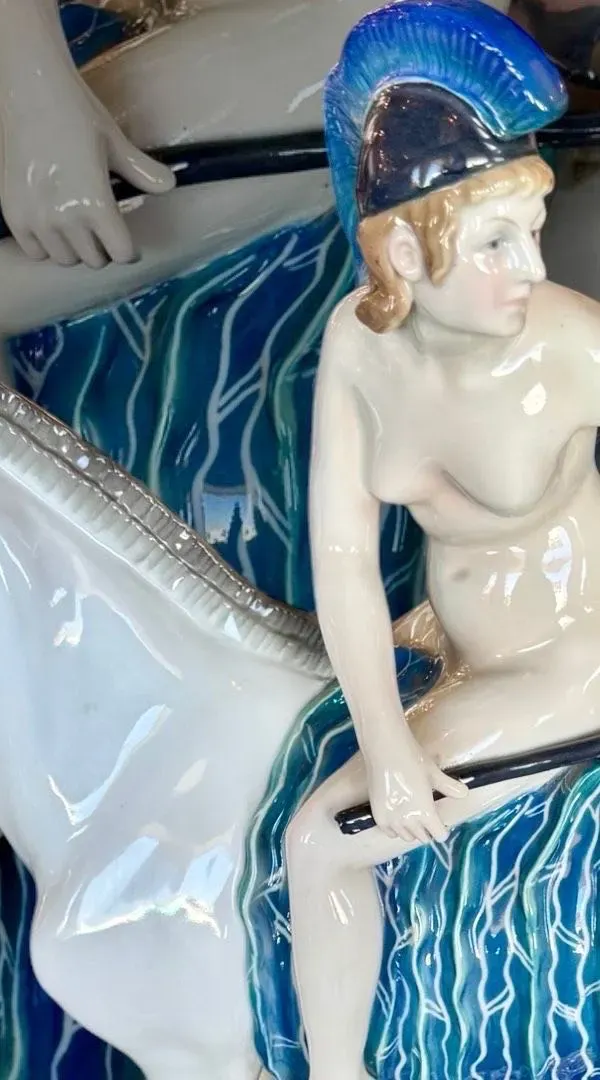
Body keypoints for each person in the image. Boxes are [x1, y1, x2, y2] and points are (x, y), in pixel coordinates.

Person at [285, 1, 600, 1076]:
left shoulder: (571, 344)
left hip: (568, 654)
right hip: (452, 637)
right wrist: (386, 744)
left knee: (320, 843)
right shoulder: (358, 347)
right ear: (407, 255)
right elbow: (341, 557)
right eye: (497, 242)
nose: (531, 265)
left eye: (533, 231)